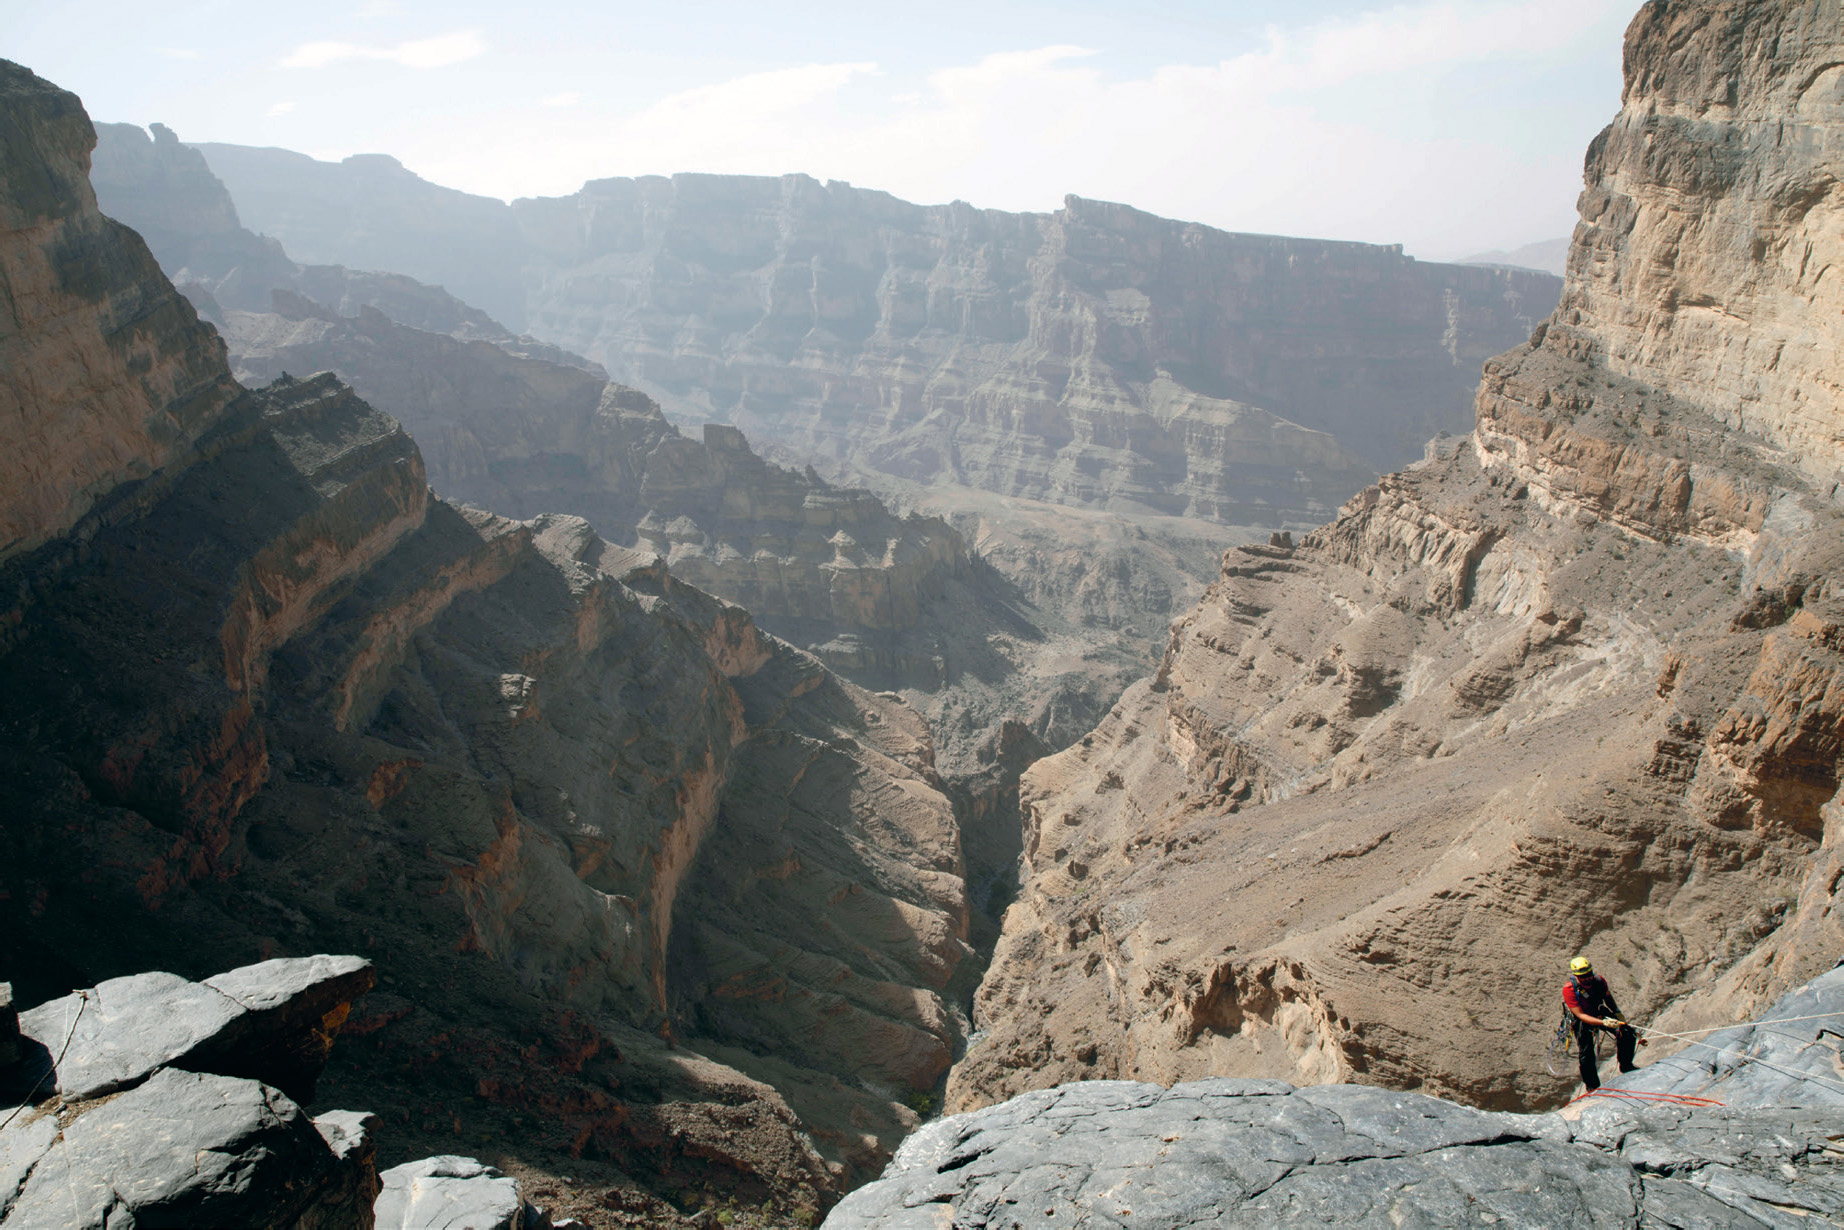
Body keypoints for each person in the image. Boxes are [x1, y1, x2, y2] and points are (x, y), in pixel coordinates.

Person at [1563, 955, 1638, 1090]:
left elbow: (1607, 997)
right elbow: (1580, 1014)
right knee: (1586, 1053)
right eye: (1583, 976)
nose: (1587, 978)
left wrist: (1616, 1012)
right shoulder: (1569, 989)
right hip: (1582, 1019)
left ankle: (1626, 1065)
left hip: (1598, 1011)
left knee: (1627, 1033)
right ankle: (1592, 1086)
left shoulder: (1598, 980)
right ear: (1576, 976)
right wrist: (1603, 1023)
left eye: (1588, 974)